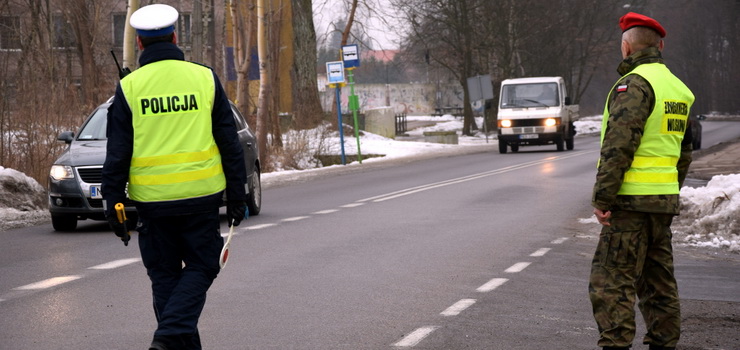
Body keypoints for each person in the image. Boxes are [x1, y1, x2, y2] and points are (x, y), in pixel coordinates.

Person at [101, 4, 247, 350]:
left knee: (164, 276)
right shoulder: (204, 78)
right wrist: (238, 193)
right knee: (203, 265)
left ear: (139, 44)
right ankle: (168, 338)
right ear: (175, 37)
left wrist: (113, 203)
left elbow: (117, 153)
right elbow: (229, 140)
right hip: (201, 198)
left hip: (153, 204)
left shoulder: (130, 88)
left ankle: (169, 340)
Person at [588, 12, 695, 350]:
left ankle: (616, 345)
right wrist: (668, 190)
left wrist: (603, 199)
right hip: (661, 203)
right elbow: (685, 152)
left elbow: (619, 146)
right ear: (660, 45)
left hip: (629, 204)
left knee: (611, 282)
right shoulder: (679, 90)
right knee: (658, 281)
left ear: (626, 47)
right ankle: (664, 344)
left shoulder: (633, 85)